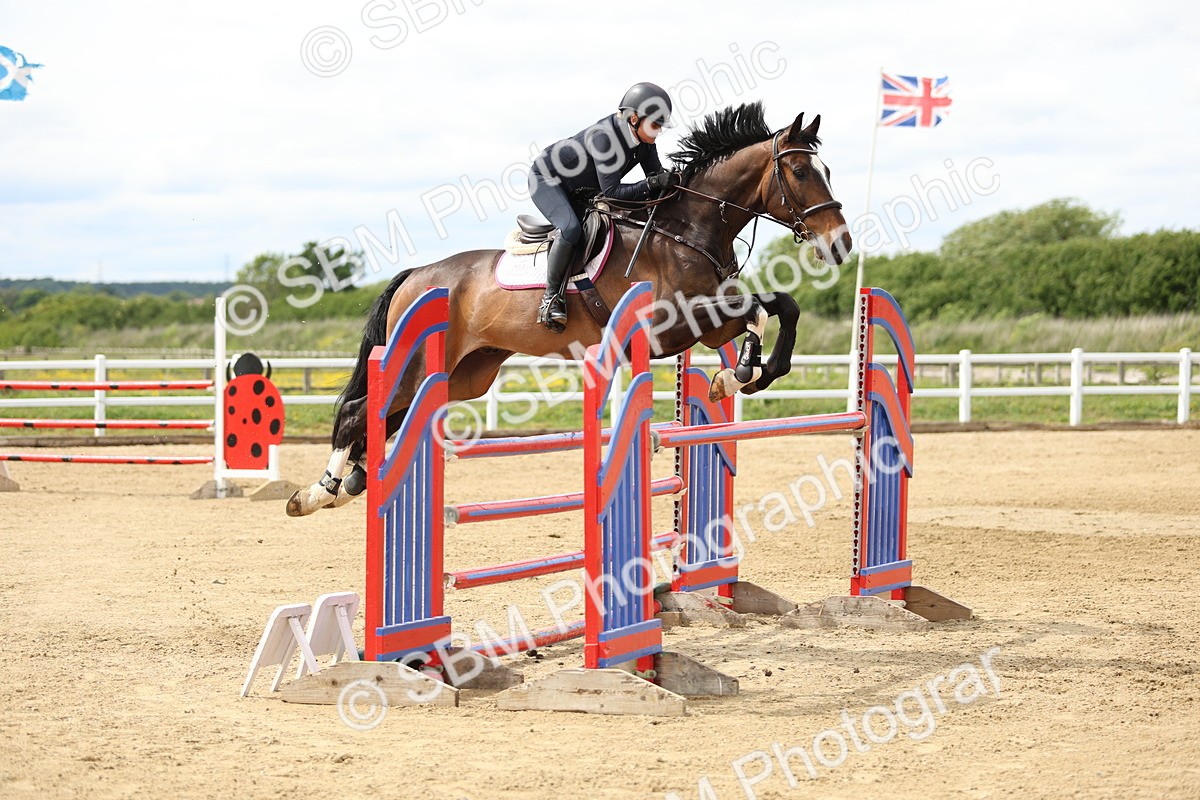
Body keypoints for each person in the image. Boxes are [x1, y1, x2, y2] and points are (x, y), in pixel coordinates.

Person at [528, 82, 681, 332]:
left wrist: (674, 181)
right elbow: (612, 194)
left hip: (583, 189)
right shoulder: (604, 138)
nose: (658, 132)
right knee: (570, 229)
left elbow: (657, 180)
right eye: (656, 125)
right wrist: (652, 183)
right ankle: (551, 299)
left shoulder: (645, 141)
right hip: (547, 180)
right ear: (634, 119)